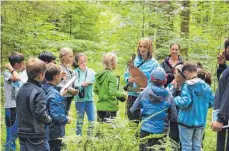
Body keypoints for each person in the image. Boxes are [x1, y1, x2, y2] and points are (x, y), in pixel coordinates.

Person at [130, 67, 177, 151]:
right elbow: (174, 117)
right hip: (160, 132)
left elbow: (133, 110)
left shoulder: (144, 93)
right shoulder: (169, 96)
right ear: (165, 81)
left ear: (151, 80)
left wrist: (142, 113)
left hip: (145, 129)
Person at [174, 61, 214, 151]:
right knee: (197, 146)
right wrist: (201, 105)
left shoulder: (187, 86)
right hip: (200, 121)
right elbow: (212, 102)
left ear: (186, 72)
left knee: (186, 146)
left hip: (186, 121)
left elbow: (185, 102)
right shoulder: (206, 86)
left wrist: (176, 99)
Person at [16, 57, 52, 151]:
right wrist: (49, 120)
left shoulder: (21, 89)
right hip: (35, 135)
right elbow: (40, 113)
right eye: (44, 73)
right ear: (40, 75)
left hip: (22, 133)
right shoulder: (39, 91)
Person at [124, 38, 160, 123]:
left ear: (149, 49)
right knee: (132, 123)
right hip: (132, 94)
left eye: (145, 47)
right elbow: (126, 75)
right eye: (140, 46)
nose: (142, 49)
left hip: (146, 96)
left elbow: (158, 81)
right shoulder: (133, 61)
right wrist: (128, 79)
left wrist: (148, 88)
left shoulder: (154, 64)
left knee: (144, 122)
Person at [42, 63, 71, 151]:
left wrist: (60, 95)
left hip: (43, 128)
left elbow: (48, 104)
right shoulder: (54, 93)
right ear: (56, 77)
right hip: (54, 131)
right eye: (60, 76)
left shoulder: (41, 88)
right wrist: (66, 119)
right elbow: (56, 114)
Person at [3, 52, 26, 151]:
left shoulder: (19, 72)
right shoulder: (7, 73)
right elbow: (16, 78)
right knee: (11, 130)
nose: (24, 65)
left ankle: (11, 146)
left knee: (17, 130)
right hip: (11, 107)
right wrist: (11, 68)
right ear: (16, 64)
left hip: (19, 106)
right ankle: (8, 148)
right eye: (23, 63)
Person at [94, 52, 126, 122]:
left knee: (100, 129)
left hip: (100, 107)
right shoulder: (112, 75)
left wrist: (103, 94)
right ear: (113, 63)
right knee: (109, 130)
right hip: (110, 107)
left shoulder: (99, 75)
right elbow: (112, 91)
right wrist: (122, 94)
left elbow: (95, 90)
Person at [211, 37, 229, 151]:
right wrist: (222, 67)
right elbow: (223, 86)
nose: (226, 50)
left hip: (225, 118)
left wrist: (220, 119)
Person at [73, 53, 96, 136]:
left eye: (85, 61)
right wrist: (82, 85)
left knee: (92, 120)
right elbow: (75, 85)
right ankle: (78, 138)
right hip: (79, 100)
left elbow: (96, 80)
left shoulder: (92, 71)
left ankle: (89, 138)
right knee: (80, 120)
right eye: (81, 62)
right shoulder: (75, 72)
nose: (83, 64)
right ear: (77, 63)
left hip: (90, 100)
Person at [167, 64, 186, 150]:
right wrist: (174, 89)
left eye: (177, 74)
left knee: (183, 140)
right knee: (173, 138)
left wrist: (178, 90)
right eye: (174, 73)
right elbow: (168, 98)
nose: (175, 76)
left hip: (183, 118)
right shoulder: (171, 85)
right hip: (173, 117)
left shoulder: (187, 87)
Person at [58, 48, 78, 115]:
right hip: (63, 96)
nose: (72, 58)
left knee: (66, 115)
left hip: (69, 96)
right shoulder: (59, 68)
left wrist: (75, 89)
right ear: (63, 57)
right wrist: (70, 89)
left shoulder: (69, 68)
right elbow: (58, 83)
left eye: (72, 56)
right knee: (61, 115)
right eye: (70, 56)